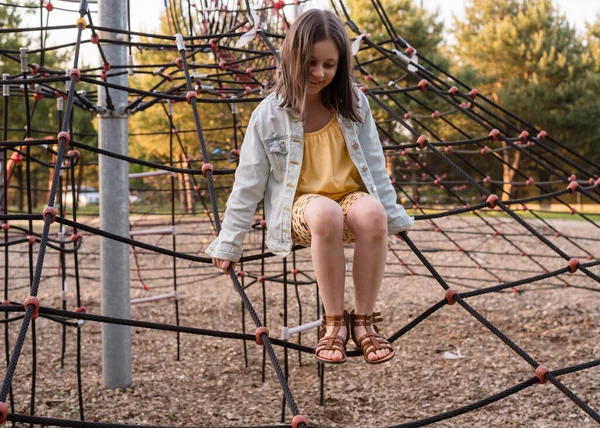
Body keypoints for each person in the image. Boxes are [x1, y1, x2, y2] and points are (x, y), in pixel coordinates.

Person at [207, 9, 413, 364]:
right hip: (302, 208)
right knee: (325, 212)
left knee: (373, 213)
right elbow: (248, 183)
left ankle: (363, 320)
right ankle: (333, 323)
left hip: (350, 200)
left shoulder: (354, 102)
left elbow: (375, 166)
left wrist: (393, 219)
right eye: (310, 63)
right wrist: (229, 241)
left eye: (329, 65)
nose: (319, 73)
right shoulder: (269, 115)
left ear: (341, 65)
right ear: (292, 58)